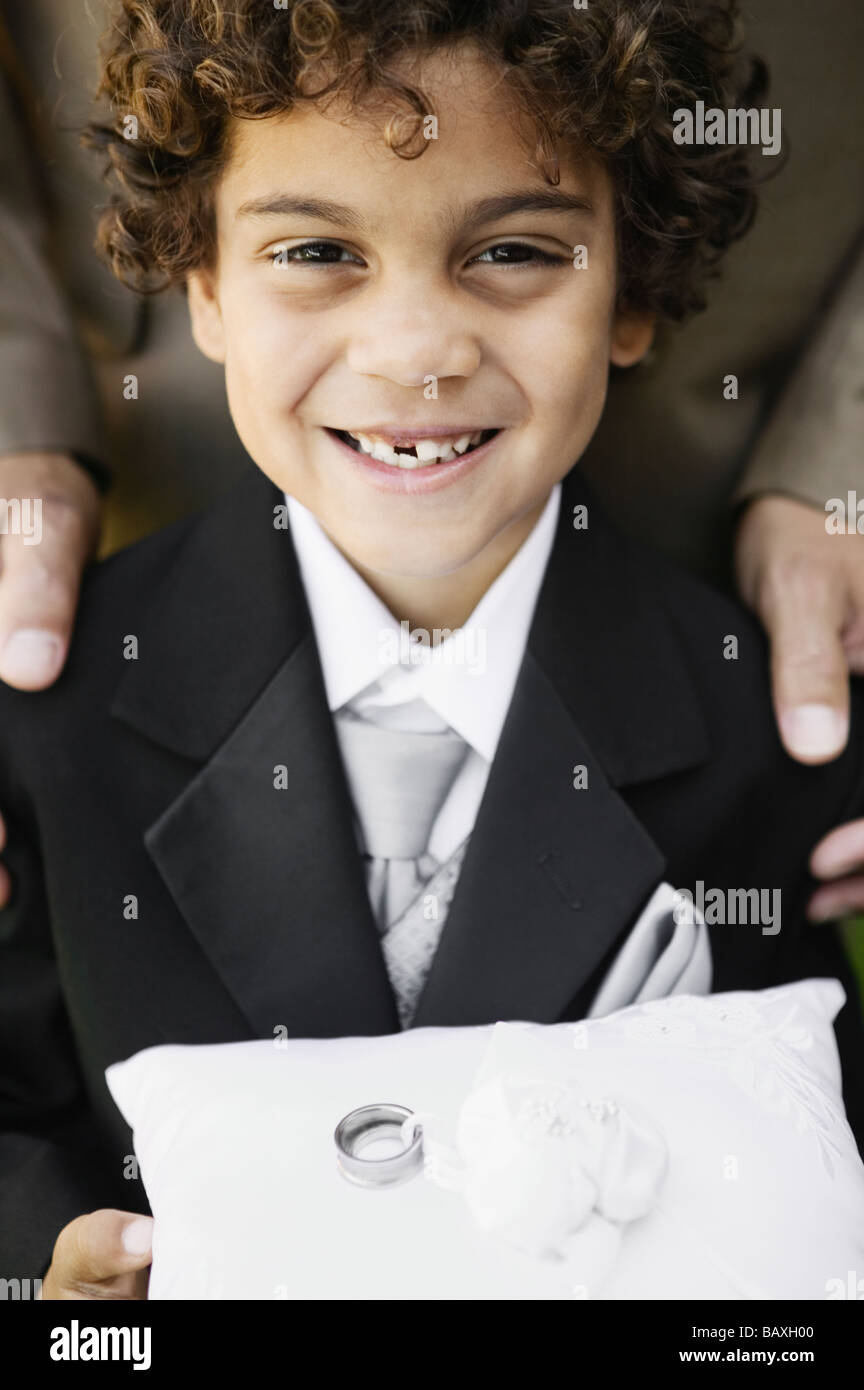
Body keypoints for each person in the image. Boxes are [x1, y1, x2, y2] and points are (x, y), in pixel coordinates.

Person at [1, 0, 863, 1299]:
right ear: (206, 288)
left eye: (513, 249)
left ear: (633, 292)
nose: (416, 353)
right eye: (315, 250)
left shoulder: (765, 727)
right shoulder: (50, 715)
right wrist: (59, 1283)